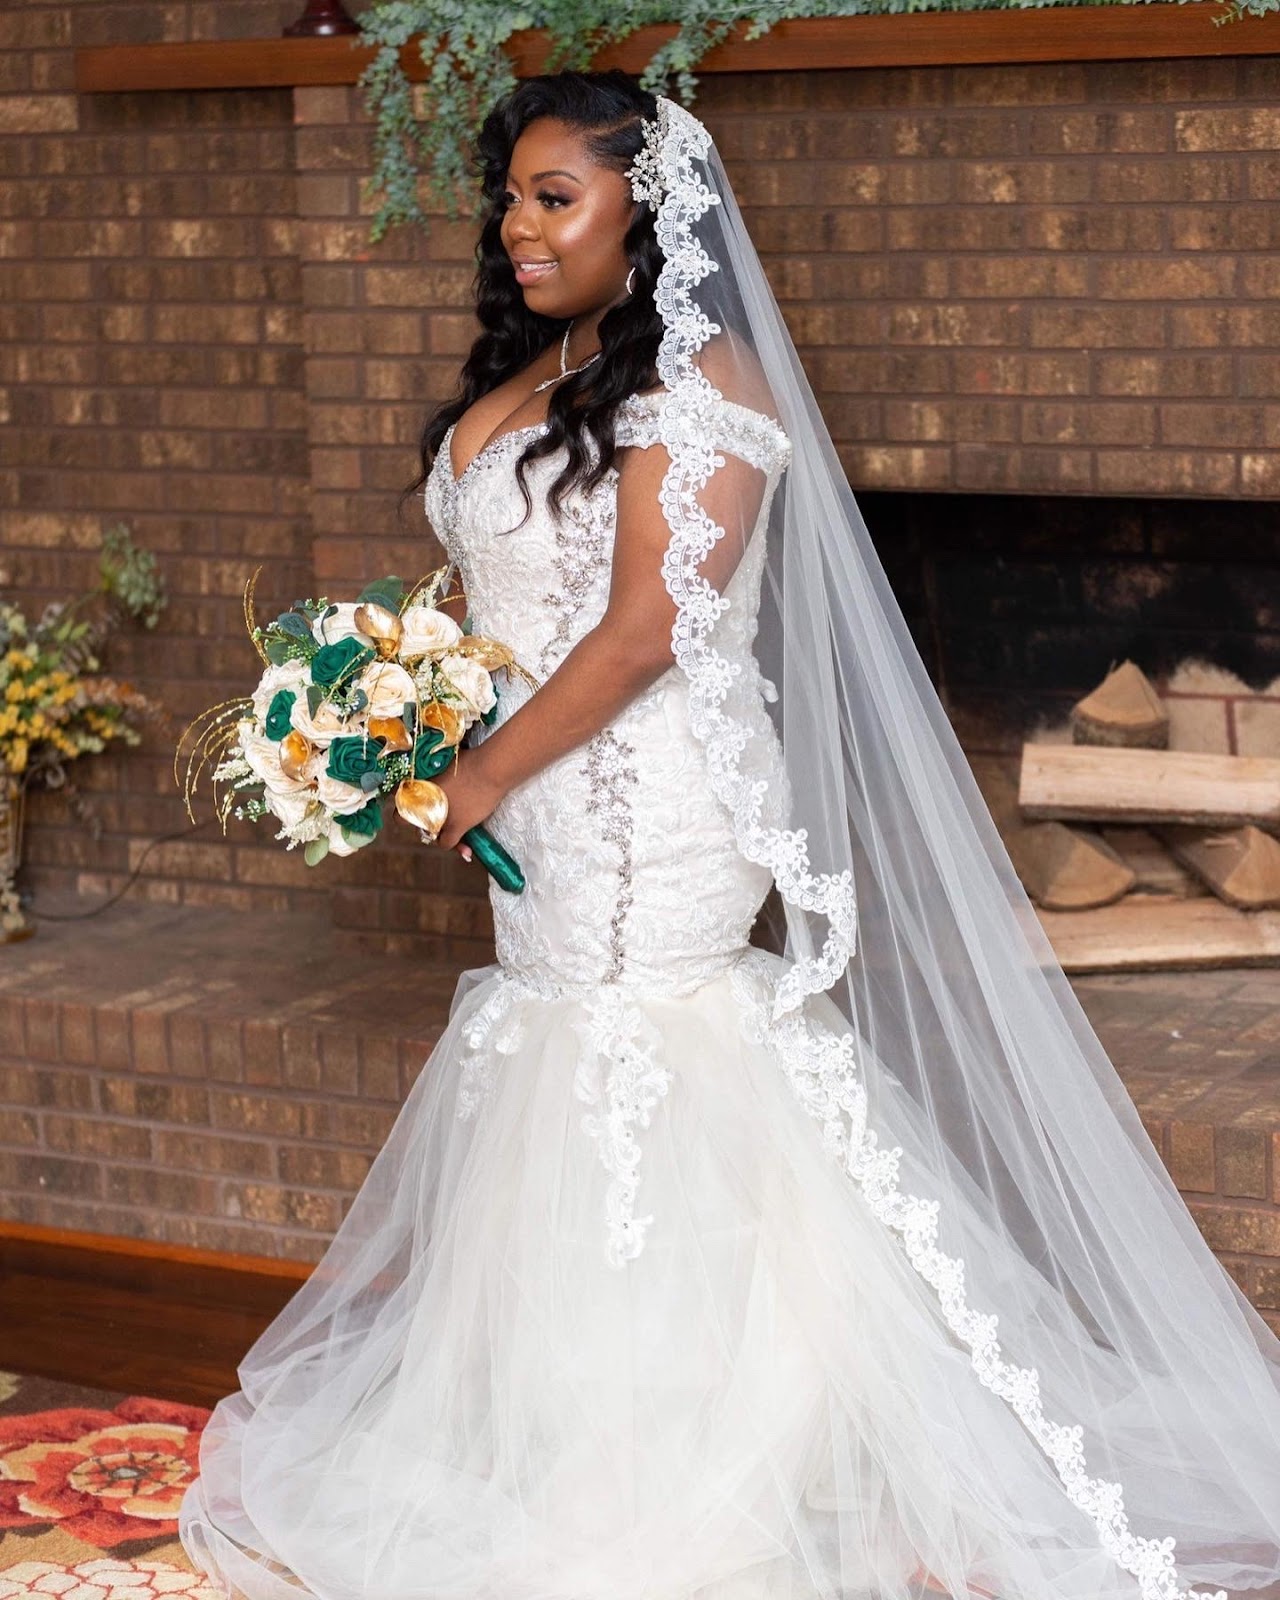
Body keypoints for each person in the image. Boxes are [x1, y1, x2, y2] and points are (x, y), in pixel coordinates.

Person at [179, 68, 1280, 1600]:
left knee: (646, 1049)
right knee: (562, 1047)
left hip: (651, 802)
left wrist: (482, 773)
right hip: (544, 794)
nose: (518, 226)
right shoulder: (546, 370)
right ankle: (572, 1430)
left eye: (555, 197)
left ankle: (698, 1459)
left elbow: (644, 630)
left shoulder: (705, 386)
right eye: (509, 197)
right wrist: (396, 713)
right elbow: (516, 603)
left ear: (648, 211)